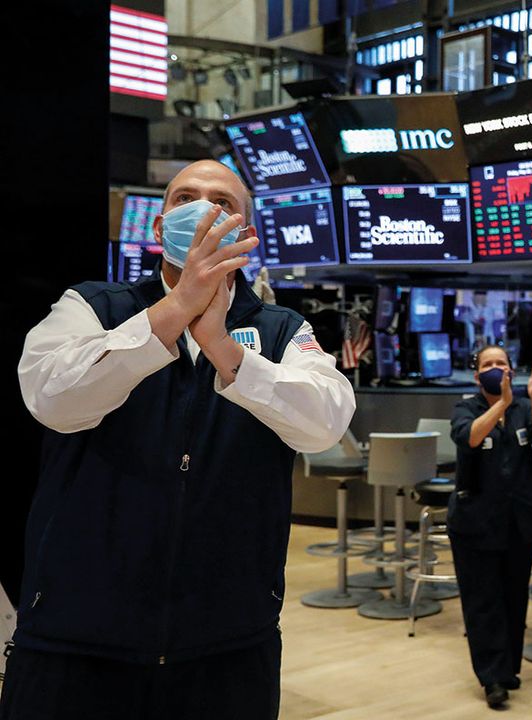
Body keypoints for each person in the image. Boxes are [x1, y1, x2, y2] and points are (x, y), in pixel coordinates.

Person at [4, 159, 356, 719]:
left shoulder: (282, 329)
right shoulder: (92, 307)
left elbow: (326, 423)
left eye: (224, 202)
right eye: (185, 196)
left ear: (245, 232)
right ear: (158, 222)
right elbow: (54, 399)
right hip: (77, 636)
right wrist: (175, 312)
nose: (203, 209)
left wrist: (223, 346)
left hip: (229, 642)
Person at [447, 347, 532, 709]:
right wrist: (501, 404)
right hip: (475, 521)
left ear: (512, 370)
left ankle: (508, 669)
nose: (495, 369)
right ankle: (491, 678)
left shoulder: (524, 406)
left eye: (501, 364)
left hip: (520, 519)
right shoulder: (466, 408)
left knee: (513, 597)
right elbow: (471, 438)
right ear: (477, 376)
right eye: (488, 365)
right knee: (483, 601)